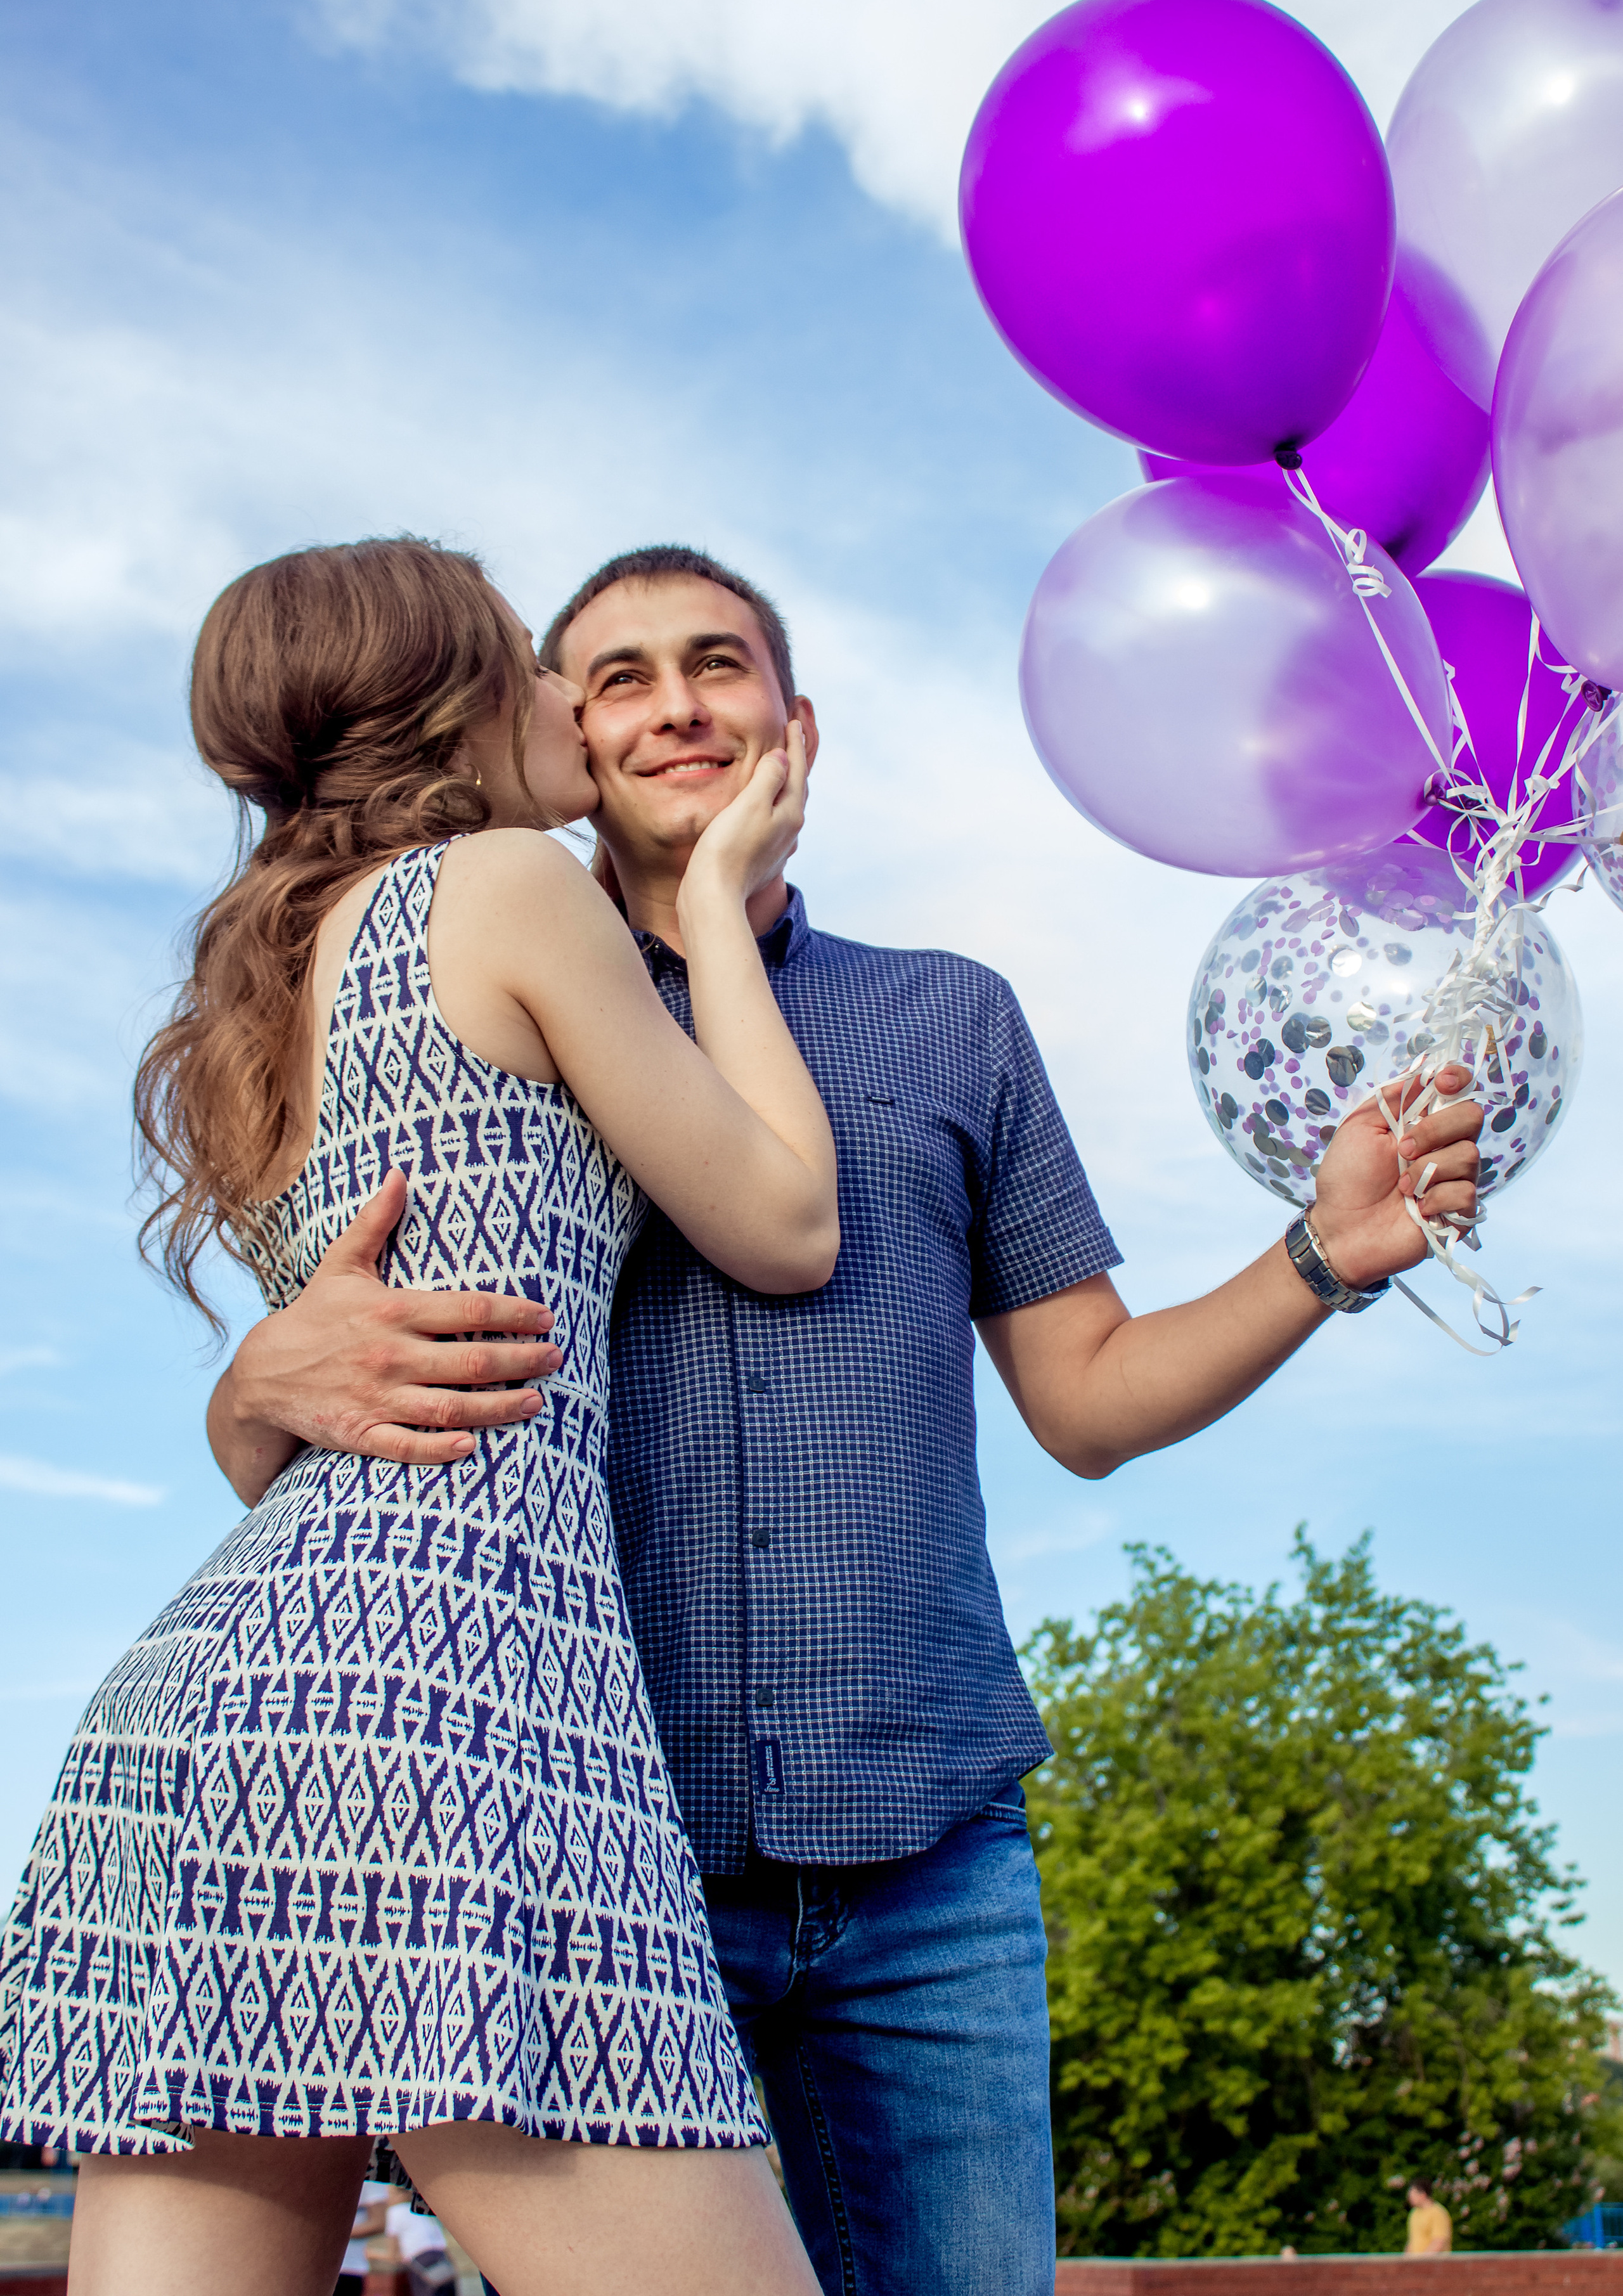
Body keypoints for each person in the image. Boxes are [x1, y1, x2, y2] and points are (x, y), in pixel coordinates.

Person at [202, 544, 1485, 2296]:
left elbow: (1090, 1402)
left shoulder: (950, 1021)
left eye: (716, 663)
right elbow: (358, 1381)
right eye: (618, 674)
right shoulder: (466, 985)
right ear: (558, 728)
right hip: (601, 1846)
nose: (673, 706)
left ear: (793, 722)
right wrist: (251, 1376)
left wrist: (1319, 1258)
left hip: (933, 1868)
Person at [0, 538, 835, 2296]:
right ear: (451, 694)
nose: (567, 700)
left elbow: (309, 1390)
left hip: (215, 1694)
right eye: (531, 666)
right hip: (438, 1678)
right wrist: (707, 920)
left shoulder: (277, 967)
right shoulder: (508, 883)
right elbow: (784, 1223)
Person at [1406, 2178, 1454, 2254]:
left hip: (1435, 2264)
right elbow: (1412, 2241)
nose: (1410, 2198)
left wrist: (1423, 2261)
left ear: (1423, 2194)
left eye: (1412, 2194)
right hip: (1416, 2263)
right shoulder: (1414, 2213)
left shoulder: (1438, 2212)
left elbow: (1439, 2241)